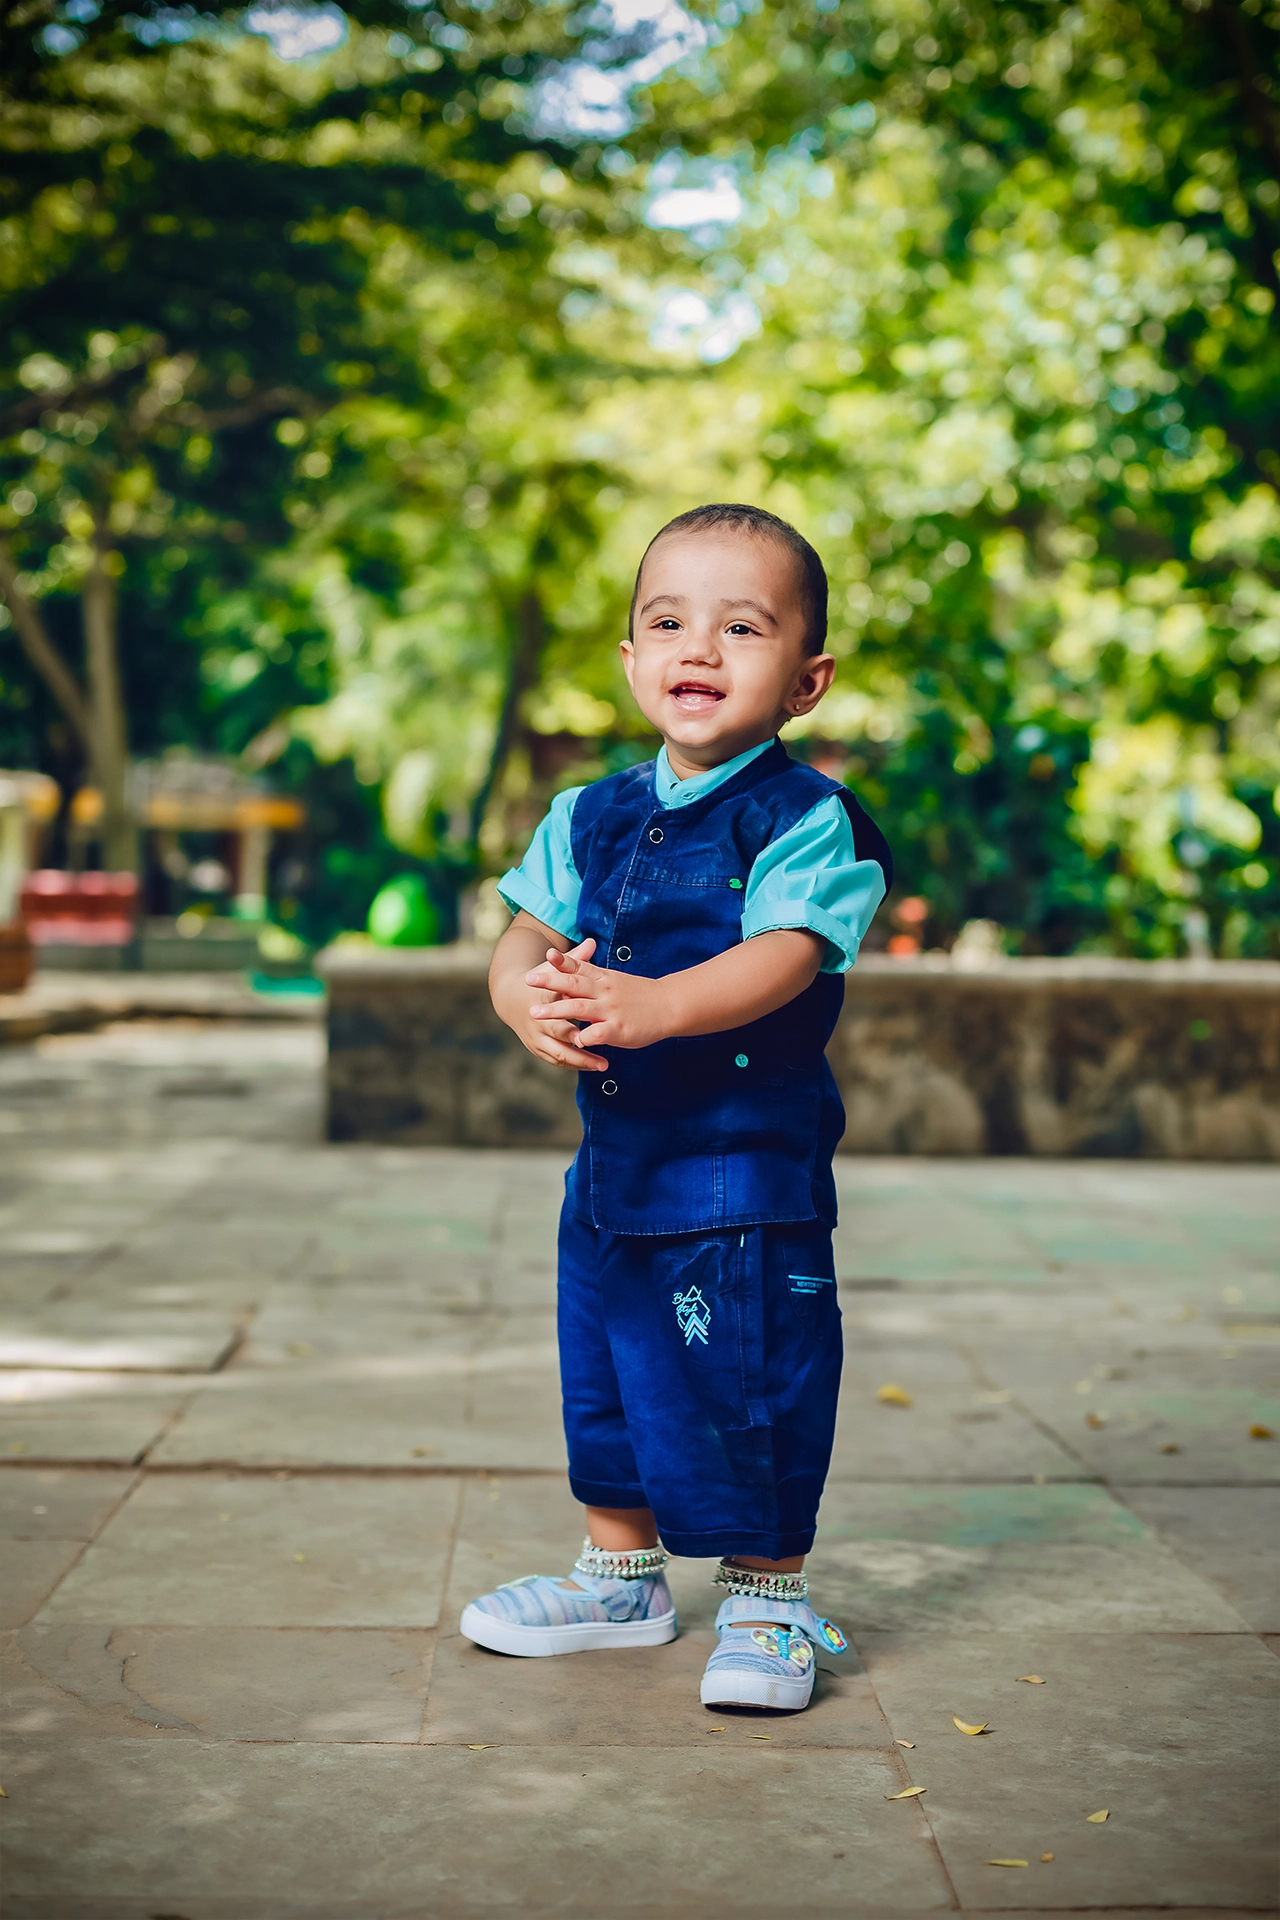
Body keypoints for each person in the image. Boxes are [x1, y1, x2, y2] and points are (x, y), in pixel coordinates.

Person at [460, 503, 892, 1711]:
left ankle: (765, 1597)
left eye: (740, 627)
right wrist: (519, 998)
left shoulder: (802, 818)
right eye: (667, 623)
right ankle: (618, 1579)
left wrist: (655, 1006)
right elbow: (524, 937)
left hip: (741, 1175)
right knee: (606, 1368)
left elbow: (786, 954)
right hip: (615, 1172)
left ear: (804, 680)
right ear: (630, 656)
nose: (697, 647)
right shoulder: (586, 814)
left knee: (750, 1379)